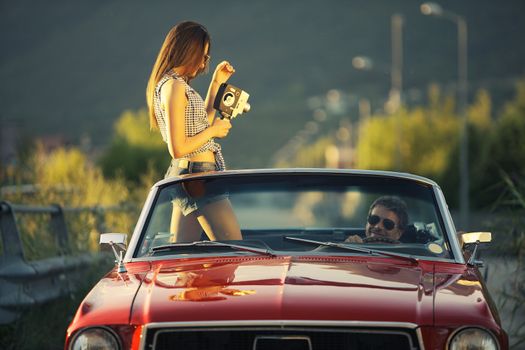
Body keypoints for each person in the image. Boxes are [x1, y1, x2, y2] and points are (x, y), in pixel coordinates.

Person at [146, 21, 242, 242]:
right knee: (237, 251)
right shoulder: (174, 86)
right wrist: (214, 131)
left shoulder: (174, 84)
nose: (202, 64)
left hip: (190, 176)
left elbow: (201, 124)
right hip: (196, 176)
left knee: (181, 259)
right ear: (189, 51)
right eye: (203, 56)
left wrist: (216, 82)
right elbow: (177, 148)